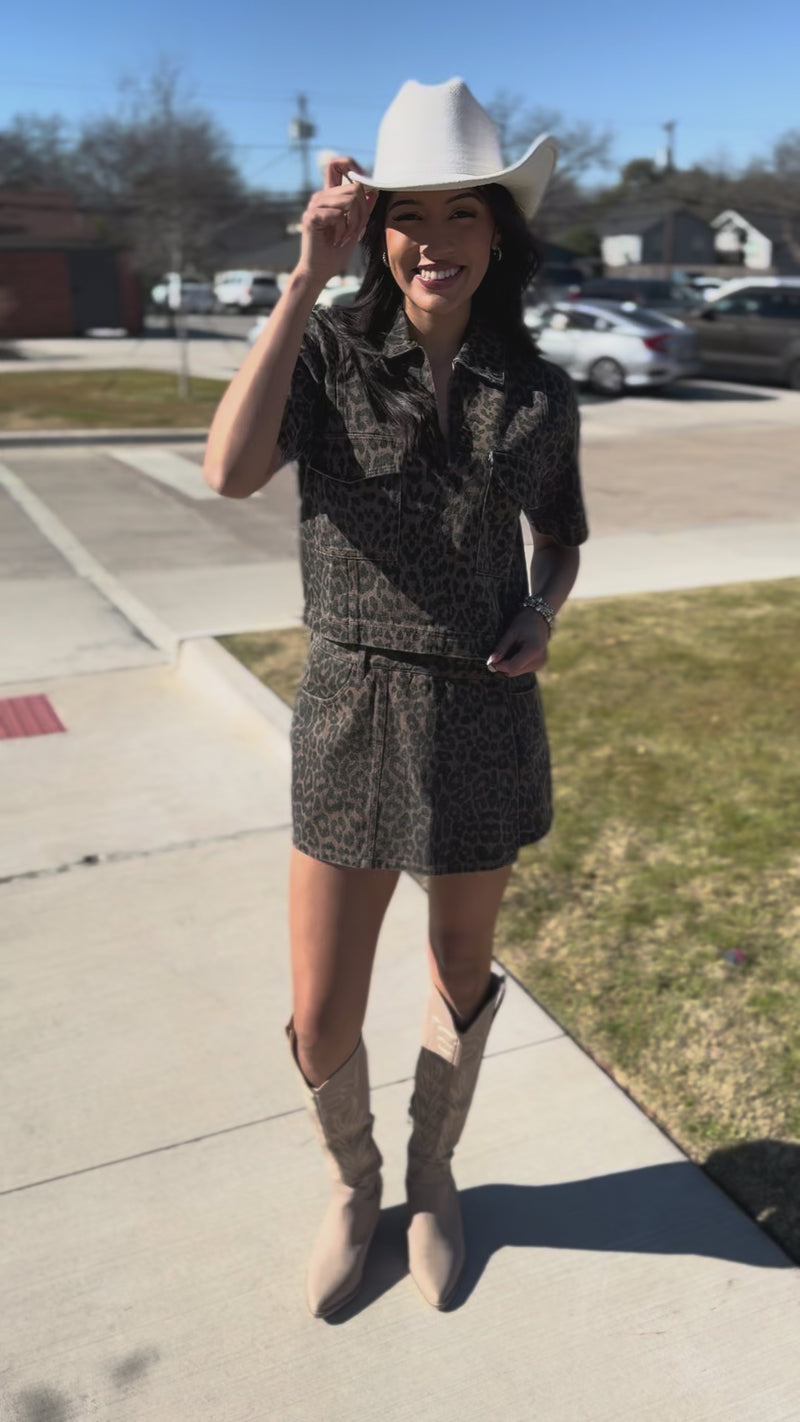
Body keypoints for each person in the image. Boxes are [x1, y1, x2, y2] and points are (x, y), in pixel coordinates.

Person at [203, 77, 588, 1317]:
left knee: (459, 972)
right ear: (377, 233)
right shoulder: (322, 351)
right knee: (319, 1010)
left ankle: (431, 1177)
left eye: (462, 214)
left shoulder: (533, 389)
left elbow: (560, 539)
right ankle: (350, 1185)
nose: (435, 242)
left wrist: (538, 611)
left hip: (478, 709)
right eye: (408, 216)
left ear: (497, 234)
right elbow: (227, 472)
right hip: (350, 705)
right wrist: (299, 282)